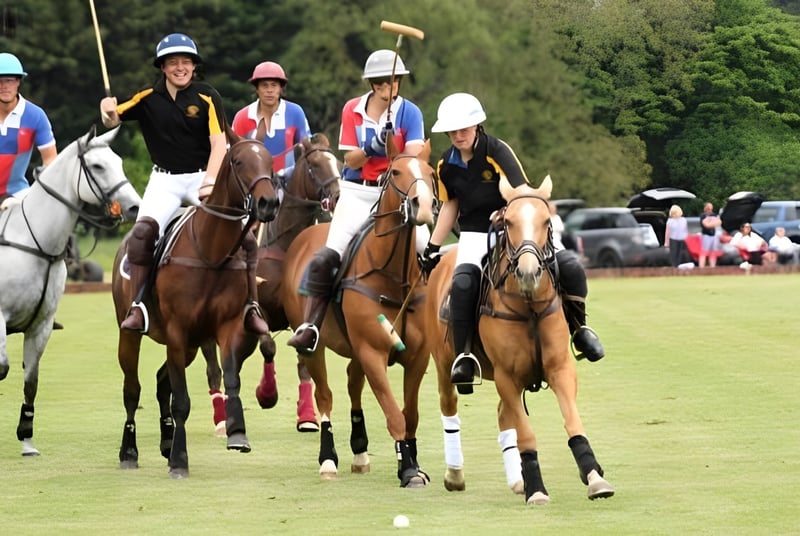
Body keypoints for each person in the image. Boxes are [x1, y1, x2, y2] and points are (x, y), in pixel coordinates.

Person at [419, 93, 605, 386]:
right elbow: (450, 205)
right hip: (474, 234)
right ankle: (464, 355)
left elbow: (522, 191)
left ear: (477, 126)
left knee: (568, 265)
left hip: (515, 228)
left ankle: (580, 331)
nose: (457, 135)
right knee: (464, 282)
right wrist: (431, 246)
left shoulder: (497, 151)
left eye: (463, 129)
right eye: (452, 131)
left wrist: (504, 213)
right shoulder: (446, 165)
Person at [99, 33, 268, 335]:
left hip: (203, 177)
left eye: (186, 62)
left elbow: (219, 144)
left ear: (193, 66)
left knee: (244, 236)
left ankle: (251, 306)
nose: (180, 68)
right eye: (173, 62)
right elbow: (113, 119)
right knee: (142, 234)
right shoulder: (147, 96)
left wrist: (211, 181)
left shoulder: (207, 96)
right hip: (164, 181)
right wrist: (107, 109)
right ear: (163, 67)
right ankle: (138, 306)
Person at [287, 49, 426, 353]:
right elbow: (349, 158)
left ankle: (437, 323)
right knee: (329, 254)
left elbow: (412, 157)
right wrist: (372, 145)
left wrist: (390, 145)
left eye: (396, 83)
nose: (392, 89)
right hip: (358, 192)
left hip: (394, 194)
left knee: (427, 248)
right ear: (375, 86)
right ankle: (311, 325)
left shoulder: (410, 113)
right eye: (386, 84)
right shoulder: (353, 109)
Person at [231, 61, 311, 175]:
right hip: (253, 185)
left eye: (274, 85)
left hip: (289, 184)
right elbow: (232, 156)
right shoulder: (242, 117)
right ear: (257, 89)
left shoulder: (295, 112)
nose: (269, 90)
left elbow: (308, 150)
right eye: (264, 85)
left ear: (281, 89)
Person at [0, 52, 57, 211]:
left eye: (9, 80)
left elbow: (50, 162)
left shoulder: (36, 116)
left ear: (18, 82)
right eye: (0, 81)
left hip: (18, 195)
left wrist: (37, 193)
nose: (4, 86)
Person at [698, 202, 721, 268]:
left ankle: (712, 267)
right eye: (708, 208)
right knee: (704, 252)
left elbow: (719, 222)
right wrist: (713, 223)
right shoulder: (703, 215)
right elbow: (705, 225)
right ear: (705, 208)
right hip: (706, 235)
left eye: (711, 208)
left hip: (713, 235)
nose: (710, 209)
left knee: (713, 252)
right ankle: (701, 267)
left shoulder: (714, 215)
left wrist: (710, 223)